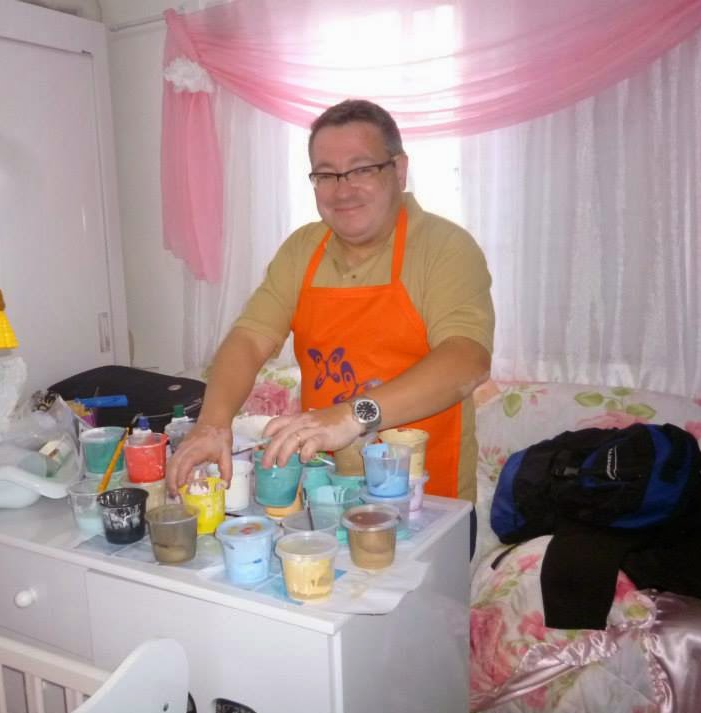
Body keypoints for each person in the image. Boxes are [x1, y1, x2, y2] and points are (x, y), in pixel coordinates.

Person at [165, 99, 493, 517]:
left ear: (399, 170)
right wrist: (213, 424)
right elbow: (249, 338)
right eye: (325, 175)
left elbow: (467, 360)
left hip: (428, 503)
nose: (342, 190)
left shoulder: (444, 248)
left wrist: (352, 415)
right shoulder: (303, 249)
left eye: (361, 169)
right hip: (327, 498)